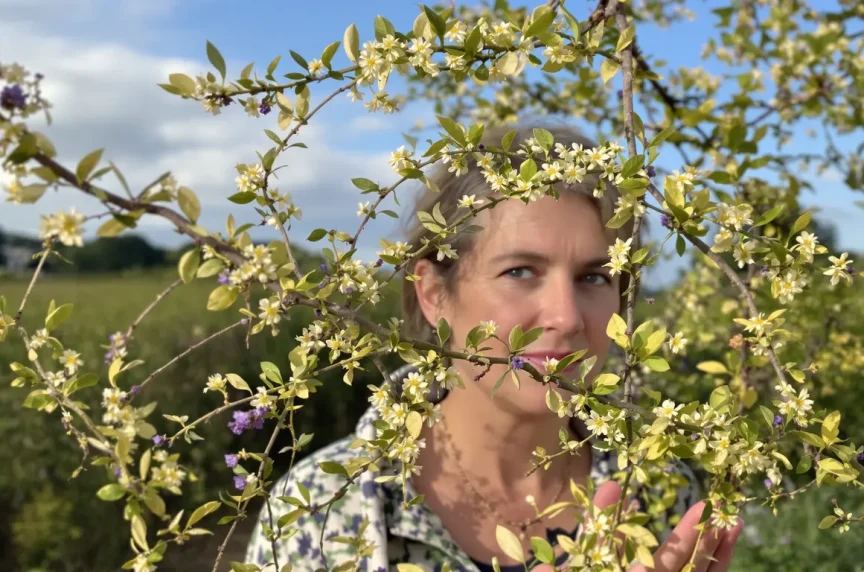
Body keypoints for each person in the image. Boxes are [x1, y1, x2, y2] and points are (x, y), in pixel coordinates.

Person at [245, 123, 743, 571]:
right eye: (520, 272)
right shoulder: (321, 509)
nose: (567, 318)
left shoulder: (659, 488)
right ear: (435, 293)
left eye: (594, 276)